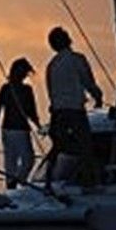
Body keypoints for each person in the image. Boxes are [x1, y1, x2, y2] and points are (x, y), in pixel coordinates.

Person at [44, 26, 103, 192]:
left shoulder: (52, 65)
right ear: (68, 39)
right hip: (75, 110)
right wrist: (98, 97)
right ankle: (88, 182)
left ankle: (48, 181)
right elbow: (88, 81)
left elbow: (50, 91)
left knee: (58, 147)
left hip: (58, 111)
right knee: (85, 145)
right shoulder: (77, 59)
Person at [0, 57, 41, 189]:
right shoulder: (8, 89)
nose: (24, 75)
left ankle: (13, 183)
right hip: (13, 129)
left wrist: (38, 126)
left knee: (19, 160)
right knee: (20, 160)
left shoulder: (23, 89)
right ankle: (14, 184)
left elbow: (31, 111)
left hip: (15, 129)